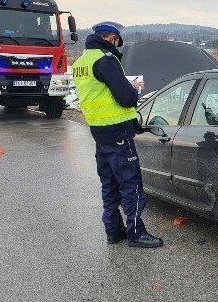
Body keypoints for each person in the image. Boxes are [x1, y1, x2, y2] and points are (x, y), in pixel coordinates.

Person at [71, 22, 163, 248]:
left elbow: (98, 93)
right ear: (111, 38)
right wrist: (134, 90)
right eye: (117, 42)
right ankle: (135, 233)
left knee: (109, 185)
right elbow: (126, 98)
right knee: (130, 186)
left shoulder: (81, 62)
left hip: (99, 133)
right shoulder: (106, 60)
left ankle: (113, 231)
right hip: (118, 133)